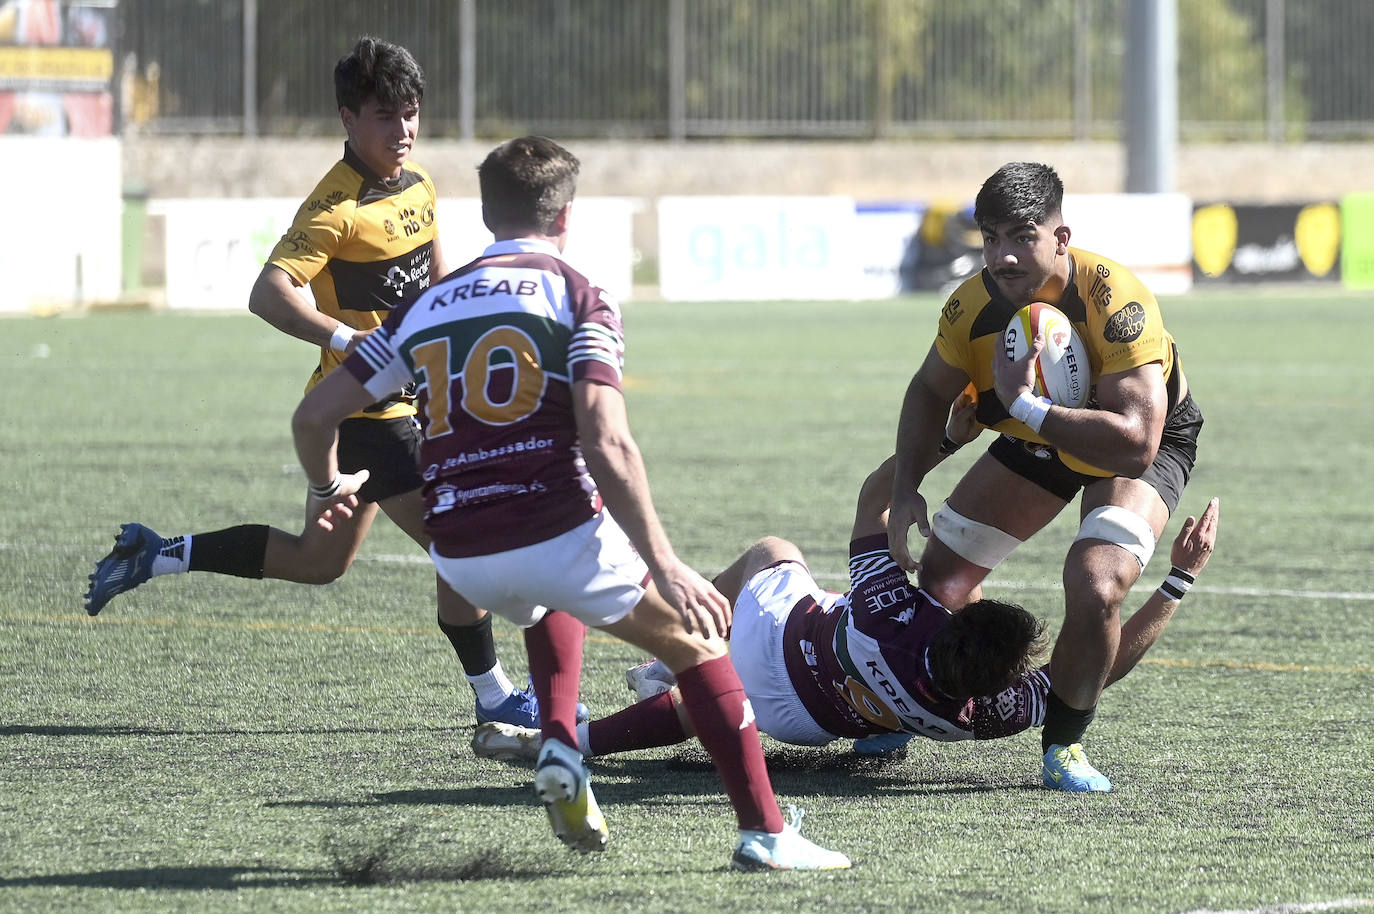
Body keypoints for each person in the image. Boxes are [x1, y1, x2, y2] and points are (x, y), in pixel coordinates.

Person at [291, 135, 850, 870]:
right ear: (566, 216)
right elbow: (607, 440)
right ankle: (767, 835)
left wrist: (329, 488)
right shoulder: (579, 293)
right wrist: (667, 563)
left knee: (544, 596)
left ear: (486, 214)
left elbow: (313, 416)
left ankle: (558, 739)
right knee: (699, 647)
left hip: (457, 557)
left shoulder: (424, 306)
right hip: (551, 528)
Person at [82, 37, 555, 730]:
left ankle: (158, 553)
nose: (403, 131)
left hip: (411, 403)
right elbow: (267, 293)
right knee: (462, 545)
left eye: (411, 114)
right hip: (369, 413)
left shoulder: (420, 184)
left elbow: (433, 283)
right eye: (385, 117)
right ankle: (496, 701)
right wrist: (342, 337)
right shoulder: (334, 207)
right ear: (347, 118)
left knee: (318, 560)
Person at [469, 456, 1219, 767]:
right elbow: (1094, 670)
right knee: (715, 714)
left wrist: (931, 449)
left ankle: (675, 654)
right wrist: (1176, 583)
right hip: (801, 727)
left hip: (783, 635)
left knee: (773, 549)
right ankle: (582, 743)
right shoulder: (986, 715)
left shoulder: (896, 608)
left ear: (955, 619)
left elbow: (871, 499)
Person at [887, 161, 1205, 792]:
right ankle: (953, 703)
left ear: (1061, 238)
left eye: (1022, 237)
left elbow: (1136, 445)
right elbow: (927, 392)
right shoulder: (972, 304)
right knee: (943, 579)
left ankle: (1063, 742)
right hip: (1038, 439)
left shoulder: (1117, 299)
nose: (1004, 256)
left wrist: (1028, 407)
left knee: (1096, 581)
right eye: (992, 238)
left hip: (1135, 442)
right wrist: (903, 493)